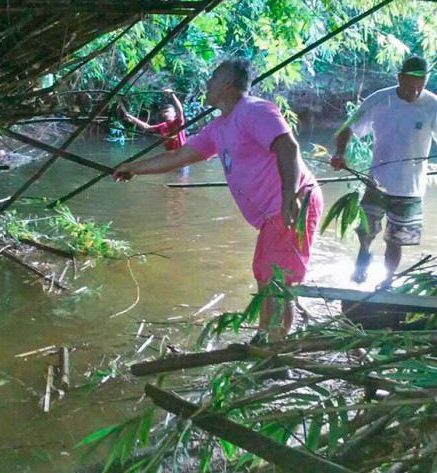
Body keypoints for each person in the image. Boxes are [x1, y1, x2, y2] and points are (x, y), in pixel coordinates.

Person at [114, 59, 323, 340]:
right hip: (272, 214)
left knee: (276, 281)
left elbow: (288, 146)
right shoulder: (219, 127)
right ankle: (267, 341)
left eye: (212, 78)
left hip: (292, 202)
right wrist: (134, 168)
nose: (207, 84)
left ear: (226, 84)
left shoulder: (254, 110)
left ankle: (274, 351)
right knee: (266, 277)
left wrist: (289, 196)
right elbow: (179, 156)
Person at [331, 56, 437, 283]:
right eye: (409, 87)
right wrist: (340, 153)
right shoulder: (379, 100)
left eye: (420, 88)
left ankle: (387, 280)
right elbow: (347, 128)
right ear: (399, 78)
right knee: (365, 230)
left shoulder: (433, 106)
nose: (414, 93)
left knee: (396, 240)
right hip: (377, 182)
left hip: (411, 188)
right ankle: (364, 253)